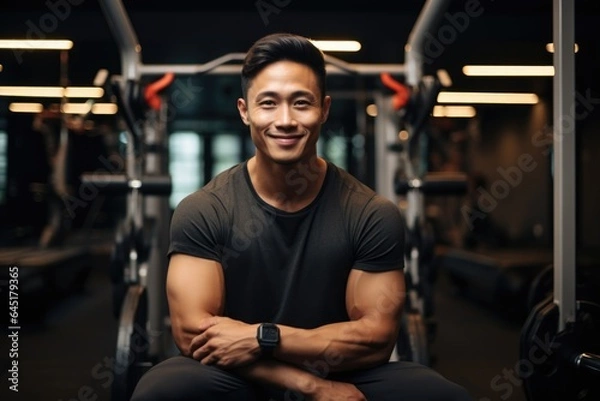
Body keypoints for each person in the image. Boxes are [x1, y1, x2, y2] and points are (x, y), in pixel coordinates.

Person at [131, 32, 473, 401]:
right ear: (245, 111)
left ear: (324, 109)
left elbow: (374, 339)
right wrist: (311, 386)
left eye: (301, 103)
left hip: (340, 368)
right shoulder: (204, 209)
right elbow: (193, 337)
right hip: (240, 374)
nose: (285, 120)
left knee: (441, 395)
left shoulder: (371, 214)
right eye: (268, 104)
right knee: (163, 389)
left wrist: (265, 337)